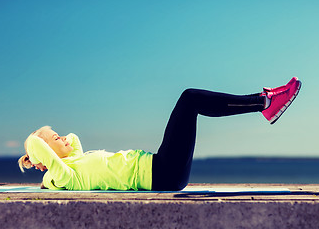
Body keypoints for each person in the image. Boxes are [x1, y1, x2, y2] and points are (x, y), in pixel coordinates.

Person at [18, 77, 302, 191]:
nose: (65, 138)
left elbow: (74, 138)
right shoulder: (64, 175)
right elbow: (38, 148)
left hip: (161, 167)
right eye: (57, 139)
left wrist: (58, 141)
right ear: (47, 155)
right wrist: (36, 146)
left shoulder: (74, 162)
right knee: (189, 98)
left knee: (190, 100)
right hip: (162, 173)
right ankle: (264, 103)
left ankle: (264, 103)